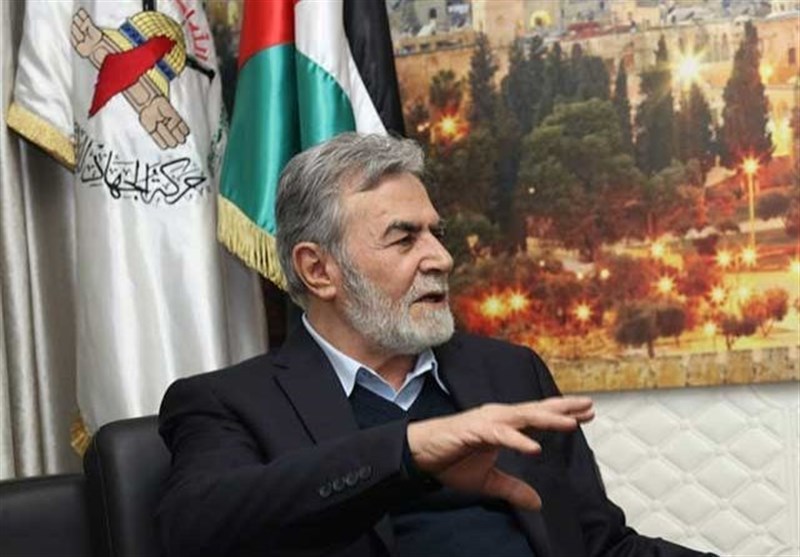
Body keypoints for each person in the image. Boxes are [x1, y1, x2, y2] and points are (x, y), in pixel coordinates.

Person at [157, 133, 716, 557]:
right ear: (319, 270)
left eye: (436, 234)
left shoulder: (510, 372)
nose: (441, 259)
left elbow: (600, 545)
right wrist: (410, 451)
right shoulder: (230, 403)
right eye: (405, 239)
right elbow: (196, 528)